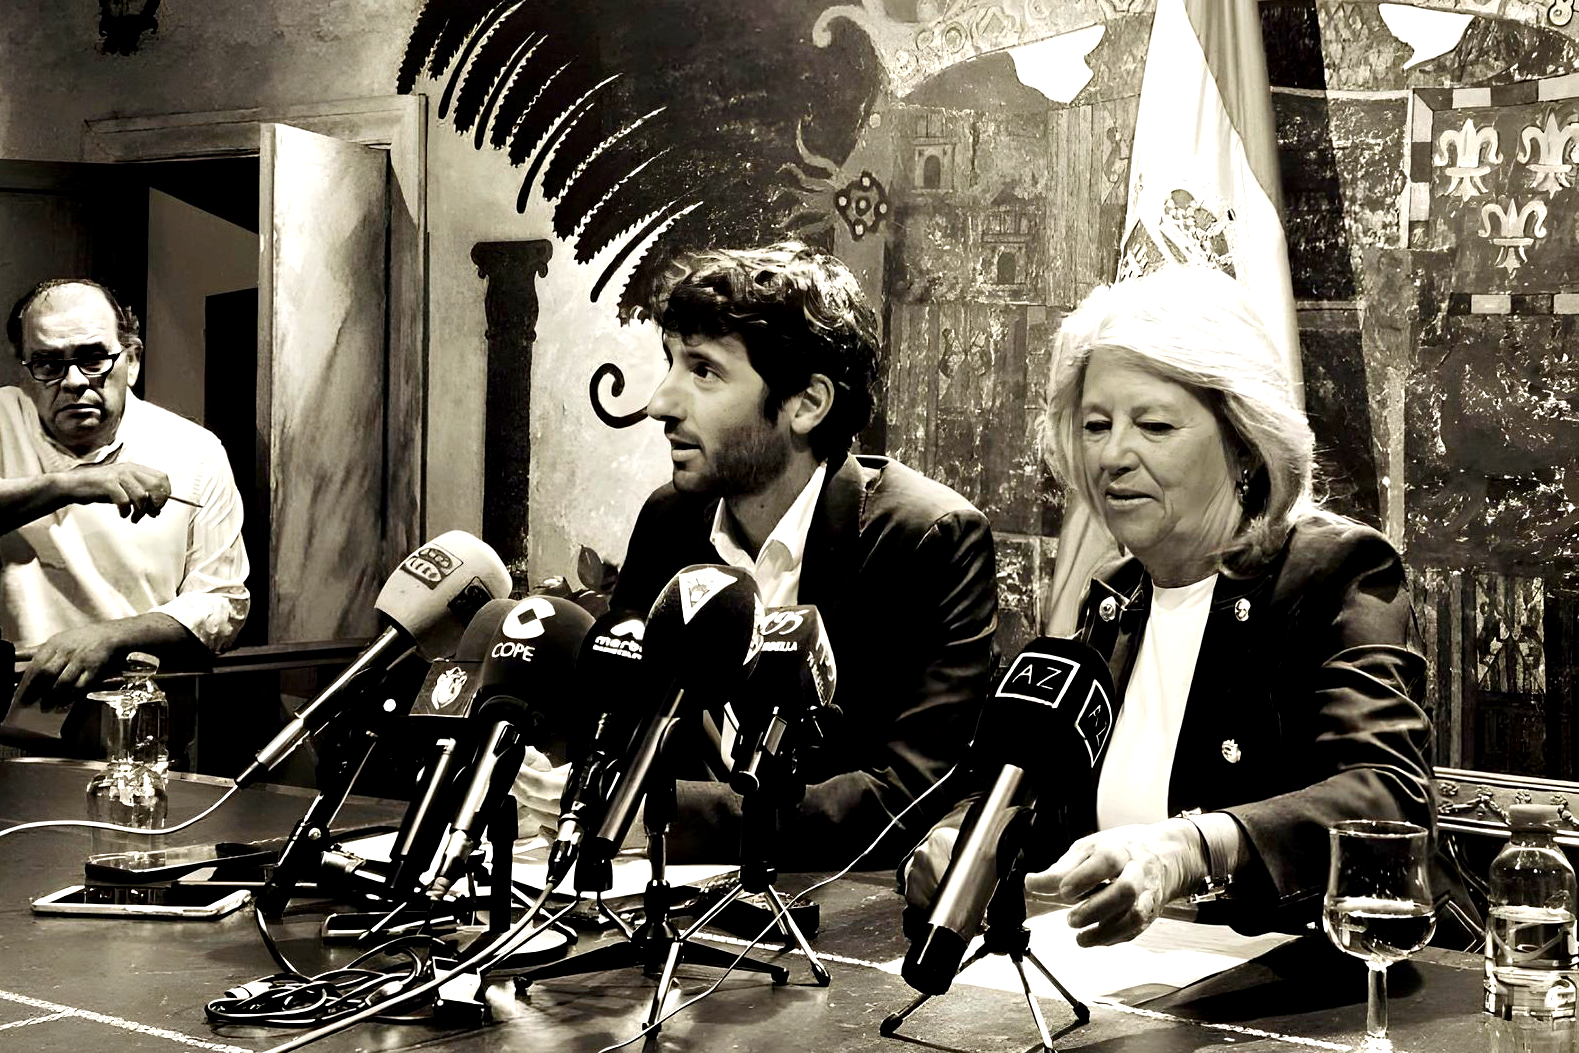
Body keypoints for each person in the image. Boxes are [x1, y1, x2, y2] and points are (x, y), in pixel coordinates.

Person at [903, 264, 1441, 945]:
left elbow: (1387, 797)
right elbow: (1051, 805)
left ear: (1245, 445)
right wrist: (966, 842)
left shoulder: (1336, 571)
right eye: (1096, 425)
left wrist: (1192, 848)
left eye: (1154, 425)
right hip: (1123, 988)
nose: (1113, 455)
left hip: (1311, 982)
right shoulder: (1114, 596)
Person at [519, 241, 996, 868]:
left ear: (807, 403)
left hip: (841, 916)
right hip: (658, 908)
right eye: (671, 363)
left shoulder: (929, 540)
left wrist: (658, 816)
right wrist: (554, 784)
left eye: (703, 371)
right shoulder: (668, 521)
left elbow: (906, 796)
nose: (661, 403)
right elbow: (621, 721)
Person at [0, 278, 249, 749]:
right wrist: (72, 484)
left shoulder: (194, 451)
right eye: (48, 363)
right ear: (25, 367)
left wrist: (110, 638)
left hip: (131, 726)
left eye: (93, 358)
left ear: (131, 360)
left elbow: (222, 603)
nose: (72, 381)